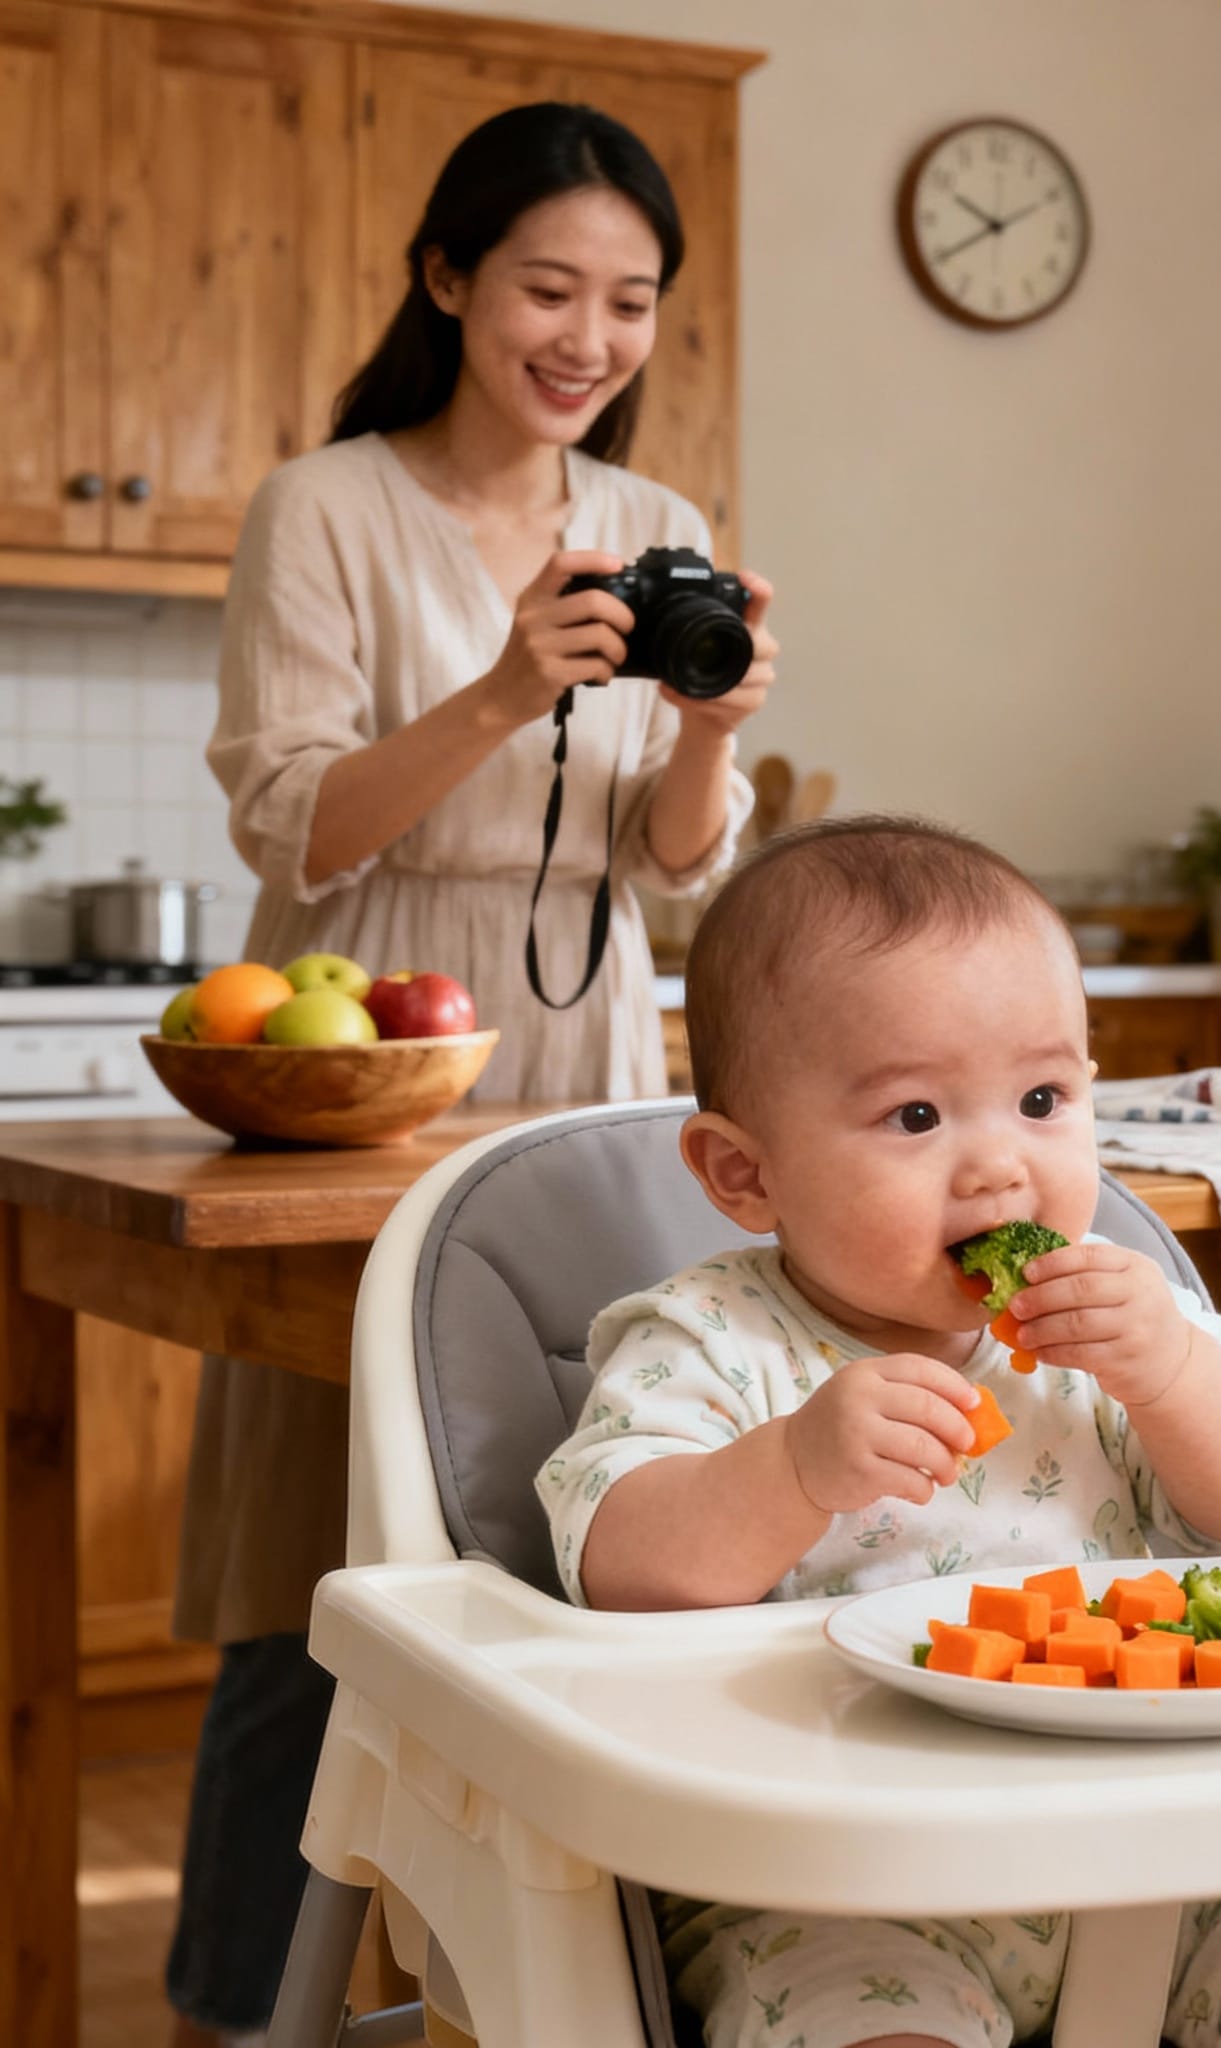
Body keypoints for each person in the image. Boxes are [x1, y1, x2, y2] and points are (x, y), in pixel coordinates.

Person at [169, 103, 777, 2047]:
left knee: (586, 1538)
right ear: (448, 280)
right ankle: (233, 2014)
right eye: (548, 287)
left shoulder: (659, 515)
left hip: (593, 1079)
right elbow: (300, 819)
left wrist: (708, 727)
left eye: (630, 300)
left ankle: (539, 2001)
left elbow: (687, 863)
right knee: (314, 1585)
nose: (587, 334)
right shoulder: (325, 507)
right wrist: (511, 685)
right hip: (363, 1074)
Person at [536, 816, 1221, 2048]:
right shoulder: (714, 1338)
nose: (998, 1169)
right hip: (843, 1879)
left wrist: (1177, 1372)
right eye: (914, 1116)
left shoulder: (1123, 1325)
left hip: (1174, 1849)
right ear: (745, 1175)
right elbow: (616, 1563)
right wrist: (790, 1468)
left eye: (1040, 1097)